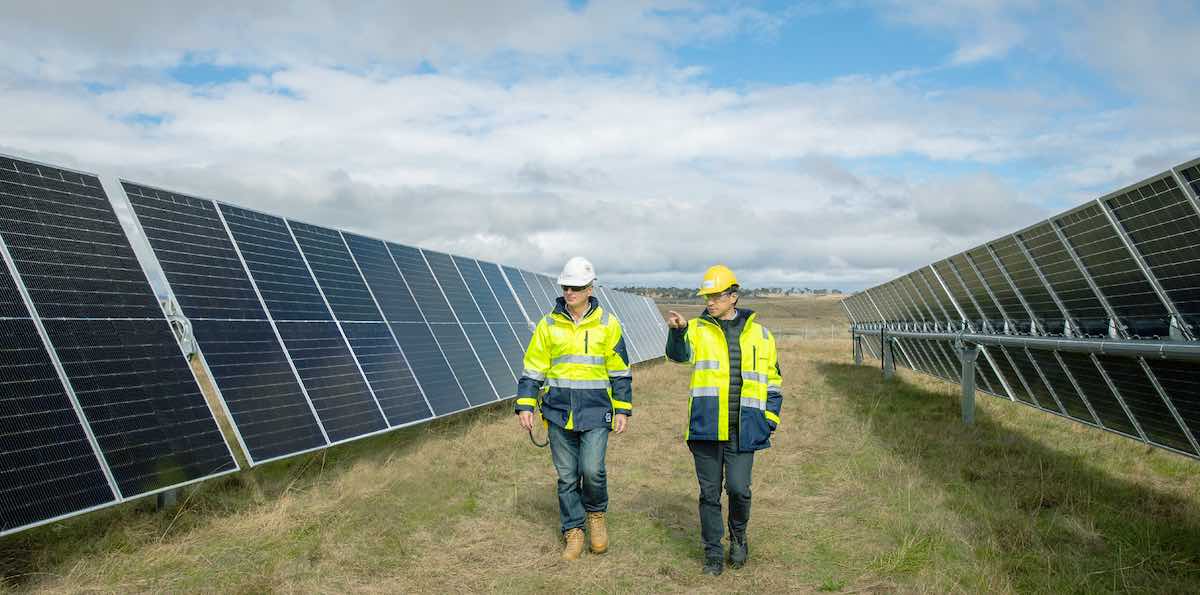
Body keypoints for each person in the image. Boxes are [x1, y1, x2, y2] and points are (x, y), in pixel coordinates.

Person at [665, 264, 782, 576]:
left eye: (716, 296)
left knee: (739, 488)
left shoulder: (762, 335)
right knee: (709, 494)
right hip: (706, 426)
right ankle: (713, 553)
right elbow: (678, 356)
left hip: (745, 428)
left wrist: (768, 420)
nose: (710, 302)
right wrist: (677, 331)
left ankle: (739, 537)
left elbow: (773, 382)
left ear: (734, 296)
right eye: (707, 297)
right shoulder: (697, 329)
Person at [515, 256, 632, 561]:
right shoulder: (548, 324)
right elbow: (534, 368)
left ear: (591, 288)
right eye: (566, 286)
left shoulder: (608, 324)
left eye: (577, 287)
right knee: (567, 477)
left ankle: (595, 515)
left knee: (592, 470)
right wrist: (525, 403)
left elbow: (620, 371)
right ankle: (573, 530)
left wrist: (622, 408)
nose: (570, 292)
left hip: (596, 412)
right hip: (557, 412)